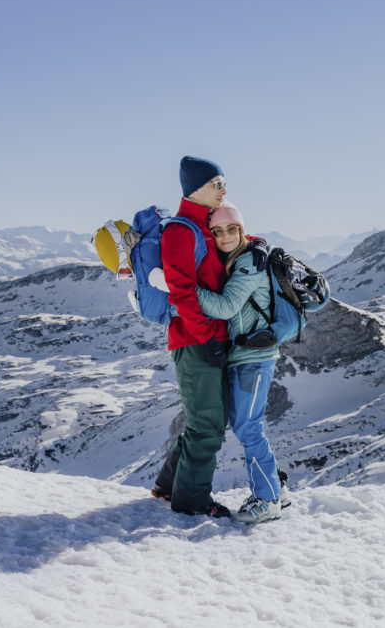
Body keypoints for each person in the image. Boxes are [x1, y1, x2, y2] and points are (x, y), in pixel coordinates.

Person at [150, 155, 267, 518]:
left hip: (211, 339)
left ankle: (168, 486)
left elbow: (230, 241)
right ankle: (192, 501)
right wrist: (206, 338)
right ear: (196, 187)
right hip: (194, 341)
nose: (223, 190)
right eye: (217, 184)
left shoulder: (205, 226)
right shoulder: (180, 231)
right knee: (208, 427)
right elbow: (182, 292)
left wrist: (256, 243)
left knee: (203, 421)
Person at [194, 201, 292, 524]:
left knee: (248, 426)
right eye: (218, 231)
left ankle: (267, 499)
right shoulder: (239, 258)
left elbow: (226, 306)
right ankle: (275, 488)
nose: (224, 237)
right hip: (244, 355)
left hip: (255, 357)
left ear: (241, 230)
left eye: (231, 229)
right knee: (244, 423)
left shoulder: (249, 261)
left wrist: (182, 290)